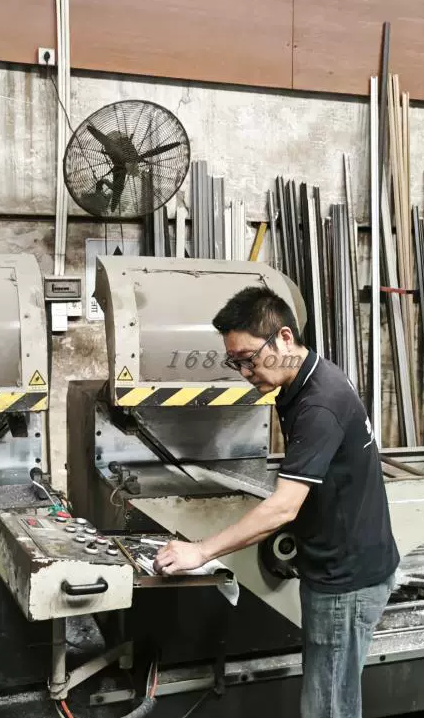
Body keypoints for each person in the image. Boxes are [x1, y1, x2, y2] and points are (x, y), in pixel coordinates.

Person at [154, 285, 399, 718]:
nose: (245, 372)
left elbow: (285, 506)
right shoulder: (306, 378)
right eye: (236, 362)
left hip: (345, 583)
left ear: (285, 337)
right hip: (340, 567)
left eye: (249, 358)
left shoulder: (319, 403)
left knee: (328, 709)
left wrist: (201, 551)